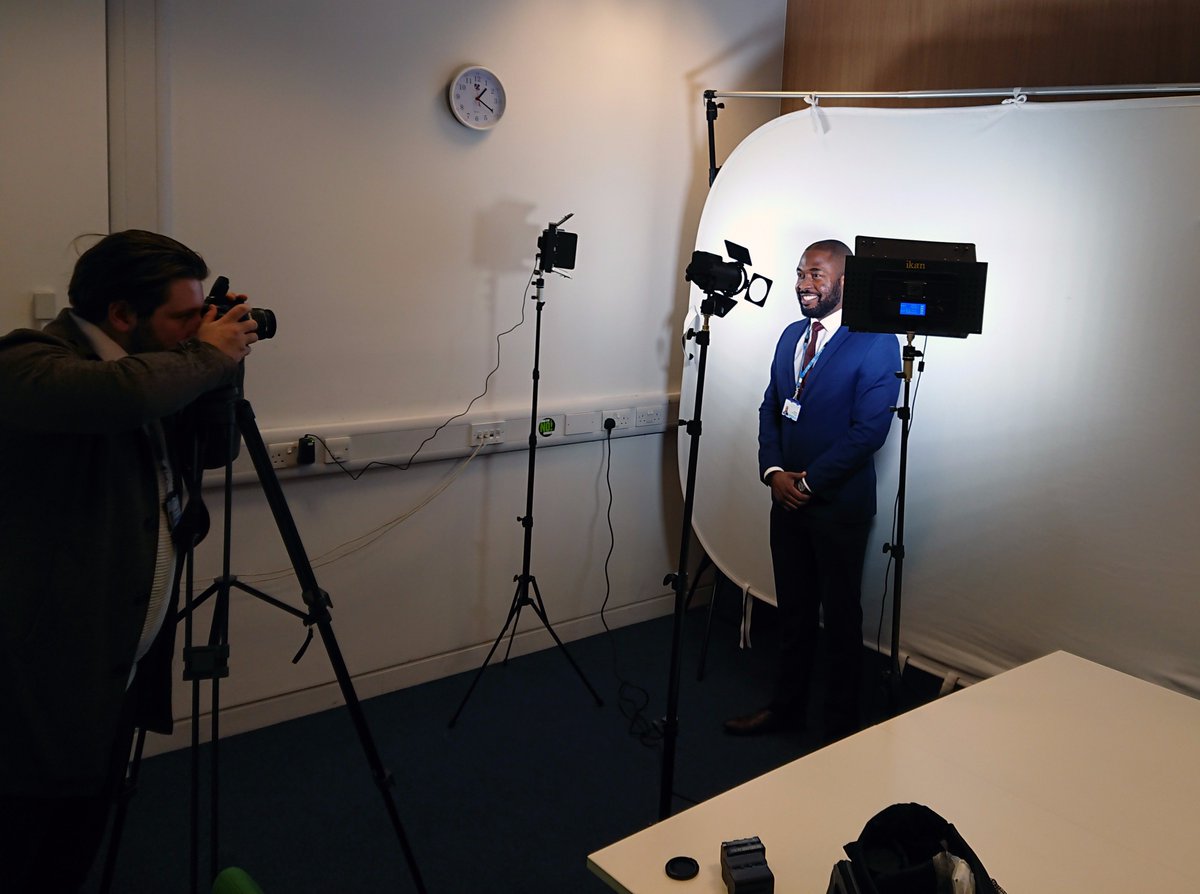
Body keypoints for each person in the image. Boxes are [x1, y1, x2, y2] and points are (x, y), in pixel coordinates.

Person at [0, 229, 259, 890]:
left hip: (117, 661)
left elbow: (212, 453)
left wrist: (223, 369)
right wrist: (206, 355)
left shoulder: (160, 367)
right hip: (37, 676)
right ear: (121, 314)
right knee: (23, 834)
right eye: (182, 316)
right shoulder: (30, 360)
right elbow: (118, 397)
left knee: (79, 832)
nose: (194, 330)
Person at [725, 238, 899, 742]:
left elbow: (869, 431)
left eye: (817, 275)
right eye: (801, 273)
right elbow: (770, 407)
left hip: (837, 507)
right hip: (786, 501)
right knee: (794, 613)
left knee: (841, 619)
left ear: (844, 281)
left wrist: (812, 482)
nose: (804, 284)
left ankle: (839, 730)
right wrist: (773, 473)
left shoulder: (875, 340)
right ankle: (786, 710)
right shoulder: (790, 337)